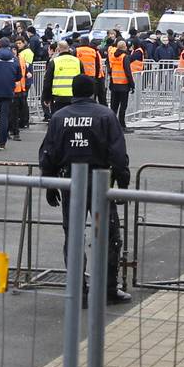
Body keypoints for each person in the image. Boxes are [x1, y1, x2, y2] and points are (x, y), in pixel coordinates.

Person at [38, 75, 132, 305]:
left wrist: (50, 184)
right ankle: (108, 289)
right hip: (100, 180)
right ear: (92, 92)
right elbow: (118, 153)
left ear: (72, 92)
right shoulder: (106, 115)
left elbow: (49, 153)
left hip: (70, 181)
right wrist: (123, 181)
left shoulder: (59, 117)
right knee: (109, 236)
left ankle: (78, 290)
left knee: (73, 236)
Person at [41, 41, 81, 119]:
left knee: (58, 121)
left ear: (58, 50)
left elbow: (48, 81)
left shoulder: (54, 62)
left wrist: (47, 98)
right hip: (74, 97)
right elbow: (82, 80)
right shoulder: (77, 61)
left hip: (58, 97)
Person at [107, 40, 134, 132]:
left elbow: (110, 70)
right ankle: (122, 126)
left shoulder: (113, 56)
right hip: (123, 85)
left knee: (114, 106)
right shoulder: (124, 57)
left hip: (114, 84)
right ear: (124, 47)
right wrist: (132, 84)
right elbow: (128, 72)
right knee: (123, 106)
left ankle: (111, 126)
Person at [13, 38, 35, 136]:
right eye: (17, 43)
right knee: (22, 102)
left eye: (20, 43)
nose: (18, 45)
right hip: (22, 82)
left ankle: (24, 121)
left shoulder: (27, 52)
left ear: (24, 43)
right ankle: (23, 121)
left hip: (24, 82)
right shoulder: (21, 54)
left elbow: (26, 66)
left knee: (23, 102)